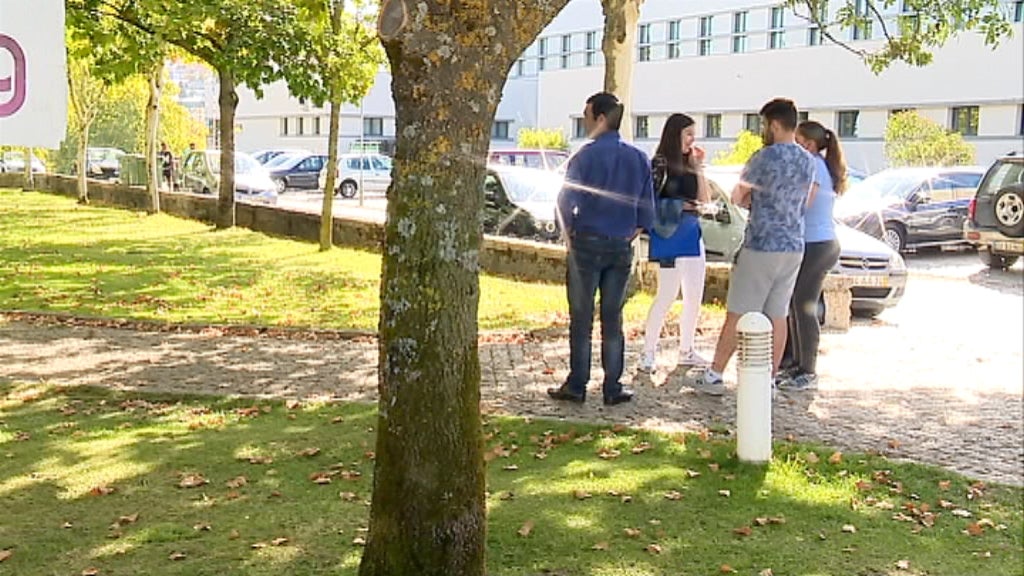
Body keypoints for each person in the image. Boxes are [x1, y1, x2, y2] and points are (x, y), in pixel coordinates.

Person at [696, 98, 816, 396]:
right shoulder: (807, 161)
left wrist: (755, 201)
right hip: (793, 245)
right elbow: (805, 201)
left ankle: (714, 375)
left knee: (739, 311)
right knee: (778, 314)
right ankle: (769, 380)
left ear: (774, 125)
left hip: (762, 244)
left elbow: (737, 196)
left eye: (765, 124)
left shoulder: (763, 158)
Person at [549, 91, 655, 406]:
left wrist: (569, 234)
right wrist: (628, 234)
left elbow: (566, 202)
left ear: (600, 118)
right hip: (621, 245)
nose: (584, 123)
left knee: (581, 317)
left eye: (586, 117)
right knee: (613, 317)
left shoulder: (584, 157)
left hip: (586, 242)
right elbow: (647, 211)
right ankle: (613, 386)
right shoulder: (638, 158)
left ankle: (577, 383)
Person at [778, 120, 848, 391]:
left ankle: (808, 370)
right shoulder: (817, 164)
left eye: (797, 141)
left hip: (818, 244)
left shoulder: (814, 166)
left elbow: (804, 202)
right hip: (813, 242)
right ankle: (797, 362)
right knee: (795, 303)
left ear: (806, 144)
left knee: (804, 306)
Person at [639, 113, 711, 373]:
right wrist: (680, 204)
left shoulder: (691, 162)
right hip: (669, 233)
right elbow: (649, 200)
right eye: (688, 134)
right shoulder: (659, 163)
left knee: (694, 295)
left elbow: (704, 198)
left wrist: (698, 167)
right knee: (667, 294)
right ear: (676, 134)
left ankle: (687, 349)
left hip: (692, 232)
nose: (692, 140)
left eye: (694, 134)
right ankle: (648, 351)